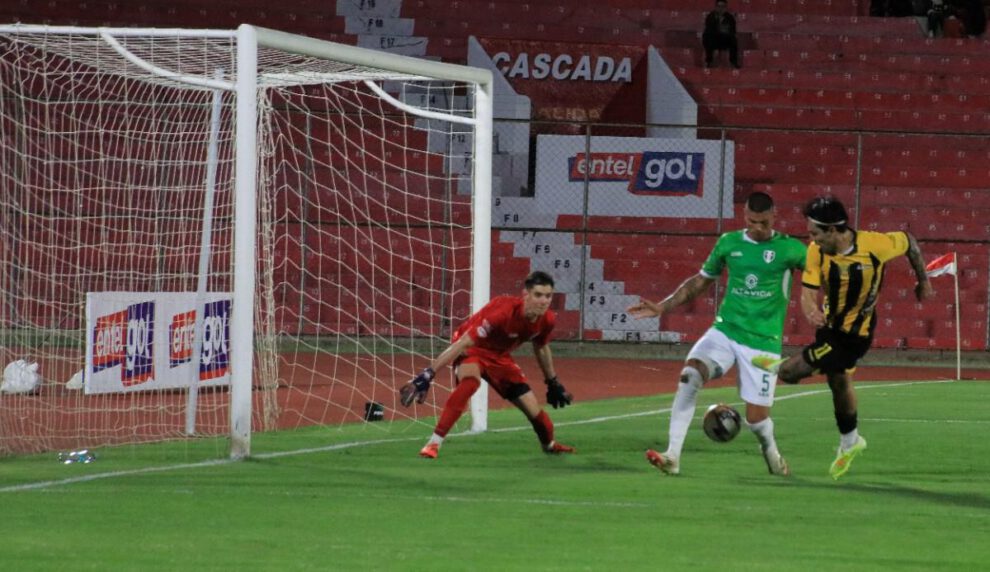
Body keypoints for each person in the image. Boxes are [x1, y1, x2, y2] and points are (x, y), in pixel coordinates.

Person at [752, 196, 933, 480]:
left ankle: (781, 366)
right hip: (829, 327)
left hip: (855, 335)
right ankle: (851, 442)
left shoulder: (874, 245)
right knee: (838, 382)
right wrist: (810, 309)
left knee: (790, 373)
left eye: (815, 233)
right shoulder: (816, 251)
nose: (811, 239)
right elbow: (808, 290)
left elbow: (909, 241)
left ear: (833, 230)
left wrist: (923, 280)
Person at [627, 192, 806, 476]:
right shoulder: (729, 242)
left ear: (774, 216)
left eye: (763, 222)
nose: (757, 227)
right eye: (751, 221)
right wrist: (663, 306)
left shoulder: (791, 249)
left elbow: (821, 274)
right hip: (726, 329)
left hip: (763, 342)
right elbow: (700, 282)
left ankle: (773, 456)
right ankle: (672, 456)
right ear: (744, 216)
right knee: (691, 374)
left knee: (757, 421)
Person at [399, 270, 575, 459]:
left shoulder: (547, 320)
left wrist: (552, 381)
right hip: (473, 348)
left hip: (500, 356)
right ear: (526, 294)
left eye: (548, 296)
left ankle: (549, 445)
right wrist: (429, 373)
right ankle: (433, 443)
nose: (544, 301)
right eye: (538, 295)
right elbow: (464, 343)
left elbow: (541, 348)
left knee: (535, 412)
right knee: (470, 383)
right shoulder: (503, 313)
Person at [702, 0, 740, 69]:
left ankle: (733, 62)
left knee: (733, 40)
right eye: (719, 6)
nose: (721, 9)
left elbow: (732, 31)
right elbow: (709, 30)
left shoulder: (730, 18)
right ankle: (709, 61)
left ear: (726, 8)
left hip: (725, 39)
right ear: (716, 7)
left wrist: (724, 32)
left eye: (723, 6)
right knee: (707, 37)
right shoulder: (710, 16)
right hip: (713, 39)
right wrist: (719, 28)